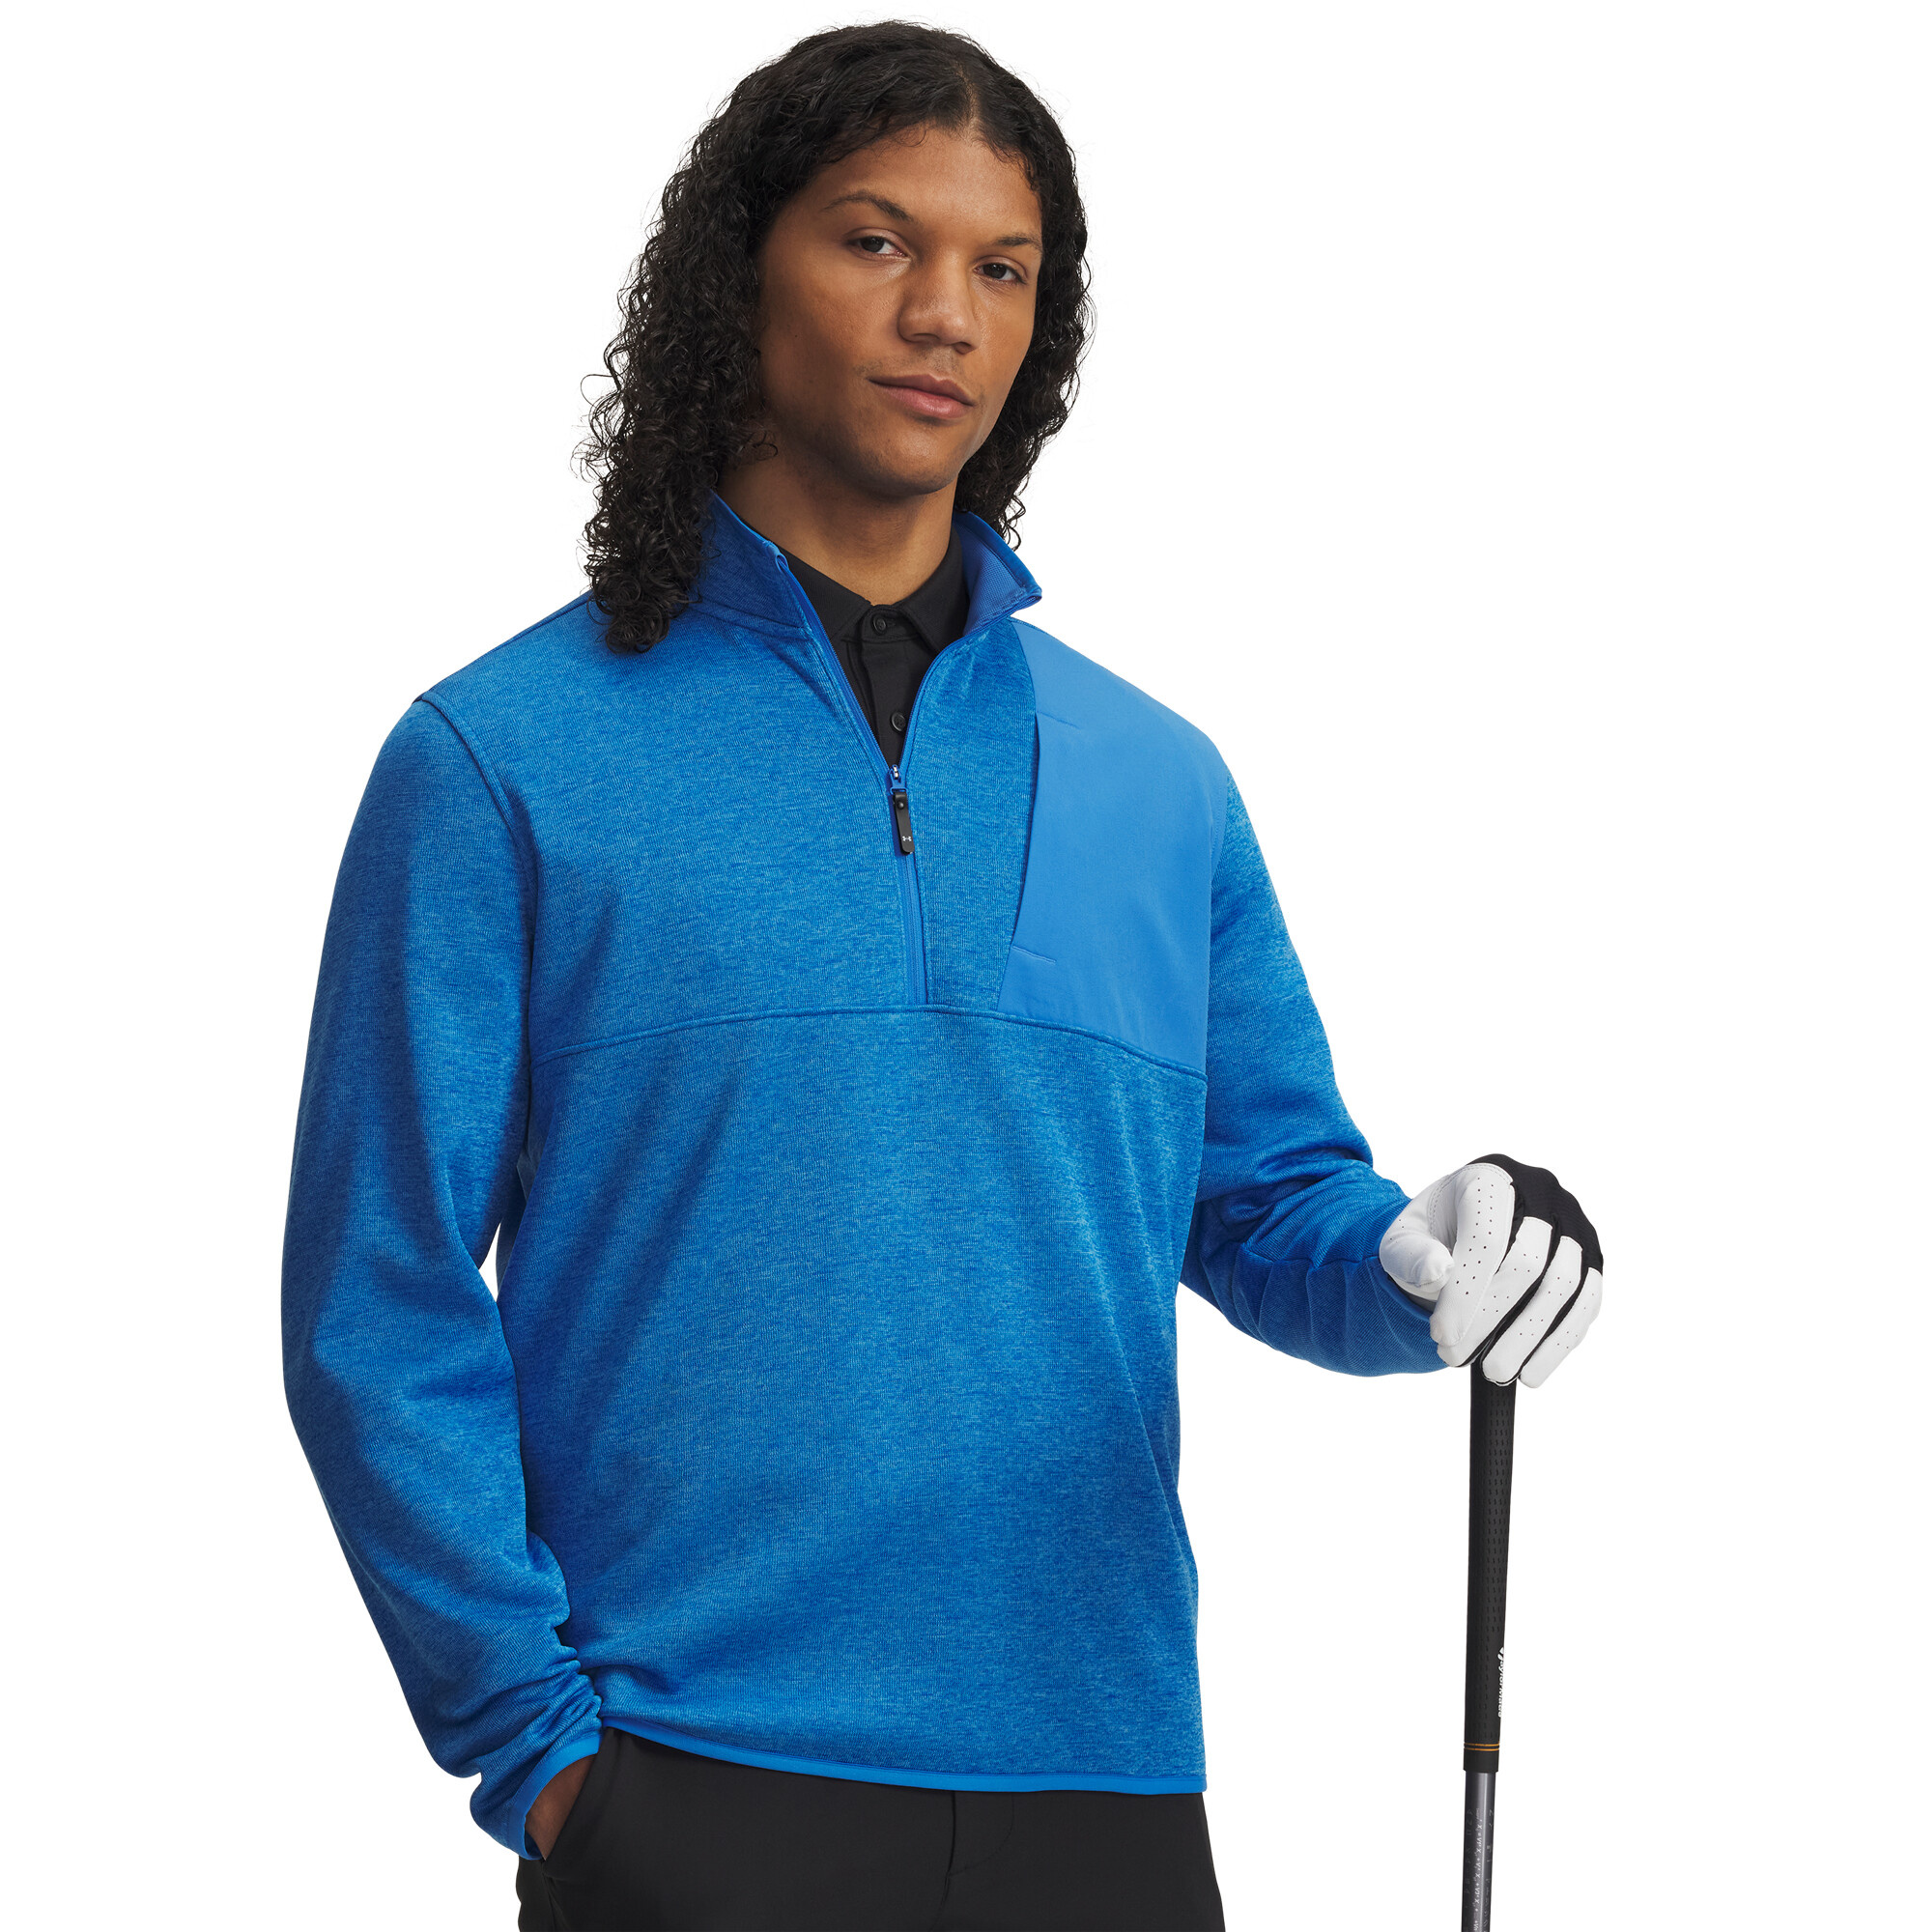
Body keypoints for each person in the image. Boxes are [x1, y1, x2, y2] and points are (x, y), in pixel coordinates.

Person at [280, 21, 1604, 1931]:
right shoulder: (504, 759)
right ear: (740, 275)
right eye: (875, 240)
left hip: (1104, 1788)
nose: (944, 315)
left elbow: (1265, 1202)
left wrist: (1426, 1253)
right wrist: (544, 1757)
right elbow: (378, 1296)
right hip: (693, 1785)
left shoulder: (1155, 776)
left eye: (1004, 268)